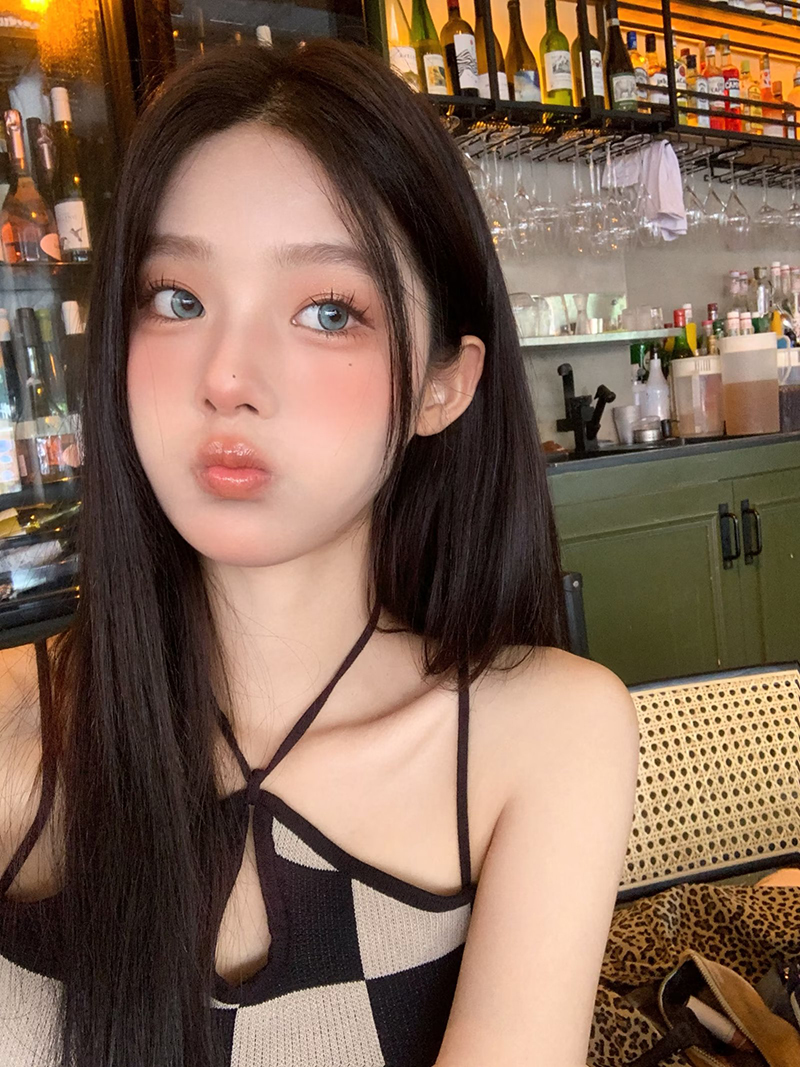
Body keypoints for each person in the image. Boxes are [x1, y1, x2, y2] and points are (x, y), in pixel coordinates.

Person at [0, 38, 639, 1067]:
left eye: (327, 311)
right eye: (177, 299)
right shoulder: (14, 725)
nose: (226, 377)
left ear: (443, 384)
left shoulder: (542, 736)